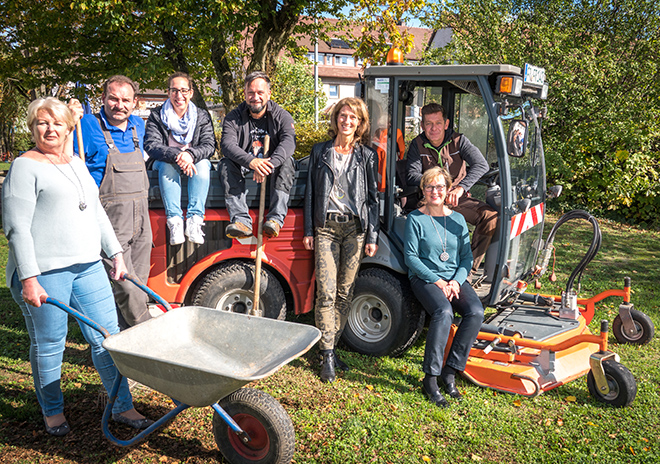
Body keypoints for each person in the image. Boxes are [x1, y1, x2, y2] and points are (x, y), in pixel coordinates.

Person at [3, 97, 153, 436]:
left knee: (108, 338)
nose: (50, 128)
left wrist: (115, 253)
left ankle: (122, 406)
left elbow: (96, 210)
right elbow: (16, 227)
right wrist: (29, 278)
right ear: (33, 128)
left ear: (70, 126)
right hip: (45, 271)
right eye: (42, 122)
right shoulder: (25, 167)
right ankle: (53, 412)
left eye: (57, 122)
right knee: (50, 343)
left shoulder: (75, 162)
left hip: (87, 266)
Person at [303, 97, 380, 383]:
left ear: (360, 124)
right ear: (336, 118)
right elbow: (311, 192)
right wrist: (309, 230)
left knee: (345, 293)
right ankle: (327, 355)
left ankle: (331, 346)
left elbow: (373, 199)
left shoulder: (367, 156)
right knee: (326, 292)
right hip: (326, 228)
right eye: (343, 116)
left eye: (353, 118)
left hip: (355, 229)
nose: (347, 121)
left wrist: (372, 234)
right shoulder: (320, 152)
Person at [74, 75, 152, 329]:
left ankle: (121, 340)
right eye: (113, 98)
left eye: (125, 100)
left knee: (139, 281)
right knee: (125, 284)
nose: (119, 105)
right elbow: (62, 151)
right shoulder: (85, 124)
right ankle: (148, 333)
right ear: (103, 99)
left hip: (142, 217)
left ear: (135, 102)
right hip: (109, 217)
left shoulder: (139, 126)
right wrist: (68, 114)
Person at [404, 166, 484, 407]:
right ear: (423, 190)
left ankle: (450, 372)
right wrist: (438, 281)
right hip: (425, 278)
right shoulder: (415, 219)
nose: (435, 191)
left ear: (448, 189)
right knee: (443, 312)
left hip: (453, 279)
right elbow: (411, 257)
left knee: (476, 312)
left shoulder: (458, 219)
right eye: (429, 186)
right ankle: (430, 378)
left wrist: (455, 281)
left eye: (440, 186)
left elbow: (466, 258)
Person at [405, 102, 497, 280]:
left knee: (490, 217)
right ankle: (435, 272)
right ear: (422, 125)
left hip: (457, 198)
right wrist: (435, 187)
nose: (433, 128)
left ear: (446, 124)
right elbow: (411, 175)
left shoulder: (459, 141)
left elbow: (481, 165)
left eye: (438, 123)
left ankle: (468, 272)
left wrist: (461, 188)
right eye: (429, 124)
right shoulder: (417, 145)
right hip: (430, 200)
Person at [220, 71, 296, 239]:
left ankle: (275, 220)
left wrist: (267, 165)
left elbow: (289, 143)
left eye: (260, 92)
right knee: (225, 164)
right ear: (245, 94)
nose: (255, 97)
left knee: (288, 162)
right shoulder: (233, 117)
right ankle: (241, 221)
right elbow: (227, 145)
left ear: (268, 93)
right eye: (251, 92)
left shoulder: (281, 116)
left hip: (272, 170)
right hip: (244, 168)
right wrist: (252, 162)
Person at [144, 72, 215, 245]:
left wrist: (190, 154)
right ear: (168, 92)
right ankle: (174, 221)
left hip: (194, 162)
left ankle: (194, 220)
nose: (179, 95)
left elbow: (209, 145)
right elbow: (151, 145)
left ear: (191, 93)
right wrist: (178, 155)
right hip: (164, 162)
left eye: (184, 90)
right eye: (174, 90)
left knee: (204, 164)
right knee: (169, 166)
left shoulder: (202, 116)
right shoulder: (156, 115)